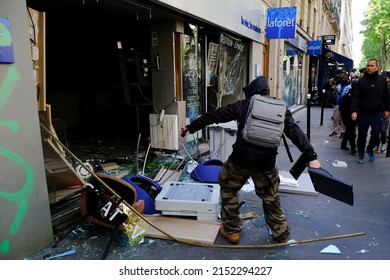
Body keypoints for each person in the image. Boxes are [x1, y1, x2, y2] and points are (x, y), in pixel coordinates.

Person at [180, 76, 321, 244]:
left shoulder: (244, 105)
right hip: (266, 163)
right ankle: (280, 232)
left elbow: (214, 115)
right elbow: (295, 132)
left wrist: (190, 127)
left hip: (241, 160)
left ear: (252, 92)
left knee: (228, 186)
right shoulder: (281, 108)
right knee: (270, 195)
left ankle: (232, 231)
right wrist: (311, 156)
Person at [351, 59, 390, 163]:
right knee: (362, 135)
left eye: (372, 65)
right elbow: (355, 97)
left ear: (377, 67)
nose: (369, 67)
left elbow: (386, 96)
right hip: (363, 113)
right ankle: (361, 154)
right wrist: (354, 111)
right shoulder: (361, 81)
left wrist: (387, 109)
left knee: (377, 133)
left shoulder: (382, 80)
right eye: (368, 65)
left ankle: (370, 149)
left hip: (377, 113)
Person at [339, 68, 367, 155]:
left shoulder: (355, 94)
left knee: (349, 130)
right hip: (347, 115)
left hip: (351, 114)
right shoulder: (350, 95)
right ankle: (353, 148)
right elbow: (342, 105)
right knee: (351, 131)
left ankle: (344, 144)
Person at [329, 72, 351, 138]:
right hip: (338, 104)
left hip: (345, 105)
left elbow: (346, 95)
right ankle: (335, 130)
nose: (343, 79)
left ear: (347, 78)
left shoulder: (350, 86)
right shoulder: (339, 85)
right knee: (335, 118)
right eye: (342, 77)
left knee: (343, 119)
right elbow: (336, 93)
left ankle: (343, 131)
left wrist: (338, 93)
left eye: (345, 77)